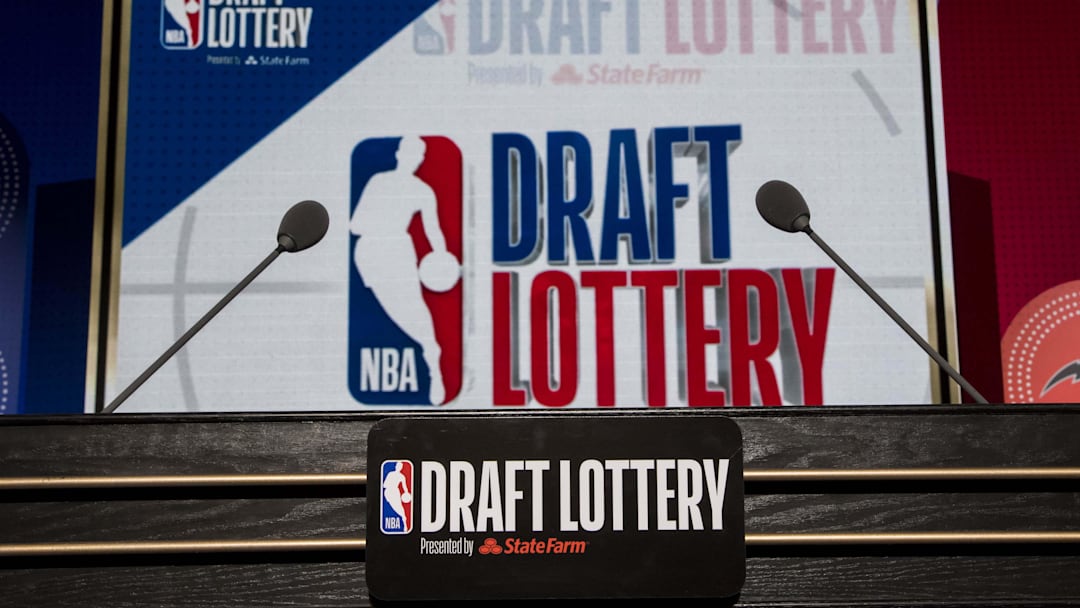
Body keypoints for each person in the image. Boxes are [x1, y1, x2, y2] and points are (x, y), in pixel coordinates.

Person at [350, 136, 449, 405]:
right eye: (410, 153)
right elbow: (355, 224)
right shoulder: (378, 181)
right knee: (394, 310)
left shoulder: (423, 191)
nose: (413, 159)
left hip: (398, 249)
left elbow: (433, 230)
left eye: (419, 155)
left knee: (413, 307)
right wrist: (379, 222)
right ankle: (430, 347)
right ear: (399, 153)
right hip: (370, 252)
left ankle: (432, 356)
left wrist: (441, 256)